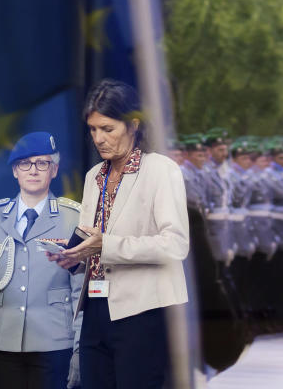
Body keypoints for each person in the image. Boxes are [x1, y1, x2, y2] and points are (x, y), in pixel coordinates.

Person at [48, 79, 189, 388]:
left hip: (142, 311)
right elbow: (93, 242)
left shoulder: (161, 170)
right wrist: (73, 254)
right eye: (93, 129)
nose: (99, 138)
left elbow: (175, 245)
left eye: (107, 129)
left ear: (133, 125)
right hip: (95, 309)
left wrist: (106, 245)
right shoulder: (93, 176)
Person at [0, 132, 84, 389]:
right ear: (15, 170)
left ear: (55, 169)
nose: (33, 170)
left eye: (42, 163)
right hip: (2, 345)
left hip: (56, 345)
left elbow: (80, 292)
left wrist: (81, 350)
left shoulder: (74, 219)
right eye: (25, 163)